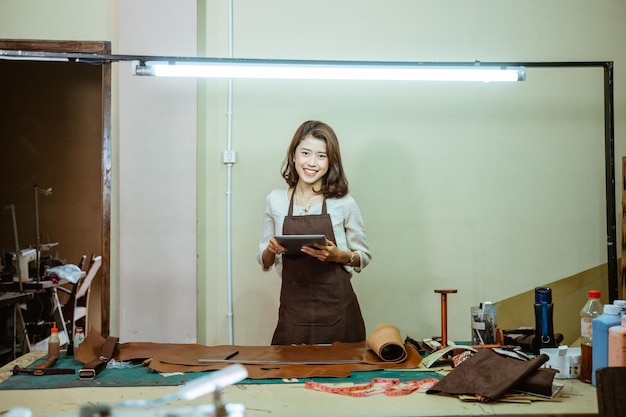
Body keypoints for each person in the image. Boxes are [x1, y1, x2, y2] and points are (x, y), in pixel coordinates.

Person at [257, 120, 372, 345]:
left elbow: (363, 256)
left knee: (344, 378)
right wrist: (271, 250)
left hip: (339, 314)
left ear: (331, 162)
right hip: (293, 314)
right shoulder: (276, 200)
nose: (312, 163)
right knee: (289, 376)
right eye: (306, 153)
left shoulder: (343, 203)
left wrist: (339, 256)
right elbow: (265, 260)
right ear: (293, 155)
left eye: (321, 156)